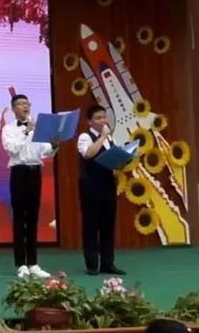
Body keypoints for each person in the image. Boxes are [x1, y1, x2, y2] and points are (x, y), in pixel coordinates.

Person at [1, 93, 56, 279]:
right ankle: (21, 264)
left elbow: (47, 151)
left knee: (33, 217)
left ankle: (33, 263)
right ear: (14, 108)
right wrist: (26, 132)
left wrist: (54, 145)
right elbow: (11, 149)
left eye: (27, 103)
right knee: (19, 218)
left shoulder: (39, 127)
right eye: (21, 104)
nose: (25, 106)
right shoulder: (8, 129)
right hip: (19, 172)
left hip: (35, 172)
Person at [77, 104, 125, 276]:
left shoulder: (109, 139)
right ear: (89, 121)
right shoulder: (85, 136)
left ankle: (107, 263)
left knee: (108, 225)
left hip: (108, 185)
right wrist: (103, 136)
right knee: (91, 225)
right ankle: (92, 264)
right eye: (98, 118)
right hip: (90, 186)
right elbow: (88, 154)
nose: (102, 121)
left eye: (104, 117)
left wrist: (122, 159)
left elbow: (113, 161)